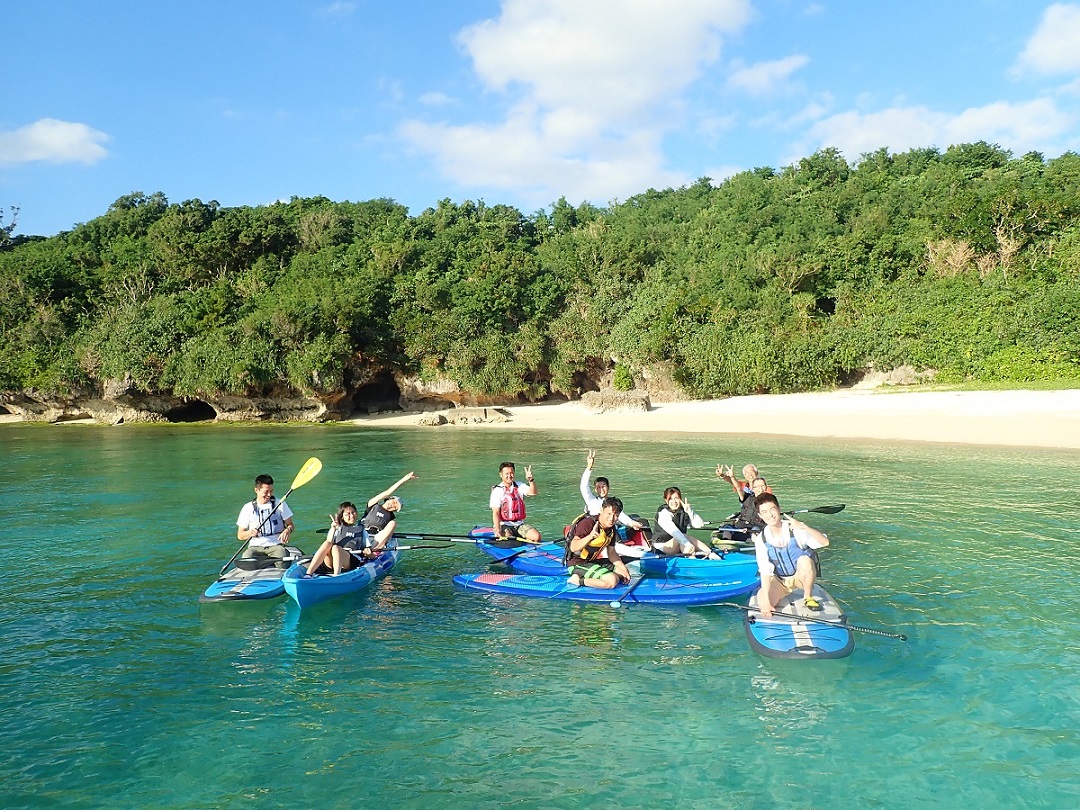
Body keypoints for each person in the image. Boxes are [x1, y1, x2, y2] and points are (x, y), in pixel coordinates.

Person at [306, 472, 417, 576]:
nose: (393, 506)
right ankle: (309, 573)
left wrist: (371, 551)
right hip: (359, 534)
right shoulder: (372, 505)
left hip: (375, 538)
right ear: (390, 499)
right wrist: (404, 479)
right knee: (330, 544)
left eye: (396, 507)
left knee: (393, 524)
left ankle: (375, 551)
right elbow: (387, 492)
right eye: (394, 502)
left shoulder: (390, 517)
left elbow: (388, 530)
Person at [752, 492, 830, 617]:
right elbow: (765, 571)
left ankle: (808, 596)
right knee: (763, 601)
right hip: (780, 581)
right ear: (760, 515)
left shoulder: (795, 529)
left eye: (772, 509)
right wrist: (766, 601)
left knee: (805, 560)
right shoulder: (761, 539)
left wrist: (805, 527)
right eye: (765, 512)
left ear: (779, 509)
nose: (770, 515)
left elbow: (825, 542)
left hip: (800, 577)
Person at [566, 497, 631, 589]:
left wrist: (625, 571)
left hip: (592, 562)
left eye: (615, 515)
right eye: (608, 514)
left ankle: (603, 577)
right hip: (577, 564)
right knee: (612, 581)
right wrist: (590, 536)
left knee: (622, 572)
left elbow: (611, 552)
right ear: (601, 510)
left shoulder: (611, 529)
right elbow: (573, 547)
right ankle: (577, 580)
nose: (611, 518)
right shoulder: (588, 524)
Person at [236, 473, 295, 568]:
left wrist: (287, 530)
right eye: (266, 492)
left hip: (275, 545)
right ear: (257, 490)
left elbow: (291, 525)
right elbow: (240, 535)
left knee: (282, 563)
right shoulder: (247, 508)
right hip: (255, 547)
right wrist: (250, 533)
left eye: (271, 491)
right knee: (247, 561)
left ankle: (274, 561)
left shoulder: (280, 504)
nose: (269, 495)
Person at [580, 450, 643, 530]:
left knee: (642, 521)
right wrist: (589, 467)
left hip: (611, 527)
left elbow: (620, 515)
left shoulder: (612, 503)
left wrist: (631, 523)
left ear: (608, 487)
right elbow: (583, 487)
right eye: (598, 487)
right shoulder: (591, 500)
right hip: (596, 529)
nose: (601, 489)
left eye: (603, 486)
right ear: (595, 490)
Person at [651, 487, 720, 558]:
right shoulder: (663, 513)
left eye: (676, 498)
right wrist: (687, 544)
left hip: (679, 542)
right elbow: (674, 532)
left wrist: (690, 511)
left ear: (680, 499)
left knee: (685, 538)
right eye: (670, 499)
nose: (674, 501)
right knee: (684, 537)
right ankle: (693, 560)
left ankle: (710, 554)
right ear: (666, 501)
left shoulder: (683, 510)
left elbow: (699, 525)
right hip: (662, 546)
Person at [489, 461, 540, 543]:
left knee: (536, 537)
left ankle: (523, 541)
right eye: (507, 473)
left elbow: (532, 492)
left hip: (519, 525)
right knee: (509, 540)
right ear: (501, 475)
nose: (509, 476)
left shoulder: (519, 485)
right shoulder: (497, 491)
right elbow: (496, 513)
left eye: (511, 473)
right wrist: (498, 530)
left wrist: (531, 480)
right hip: (504, 525)